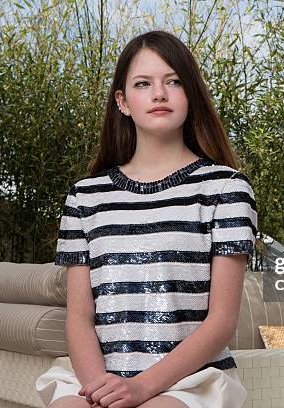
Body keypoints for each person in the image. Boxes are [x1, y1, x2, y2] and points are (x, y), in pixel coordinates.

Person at [35, 30, 257, 408]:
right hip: (98, 375)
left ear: (191, 95)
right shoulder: (85, 196)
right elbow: (79, 317)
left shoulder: (226, 188)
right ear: (122, 101)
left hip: (189, 381)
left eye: (174, 81)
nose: (159, 93)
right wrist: (99, 390)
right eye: (143, 83)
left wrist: (139, 389)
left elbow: (221, 321)